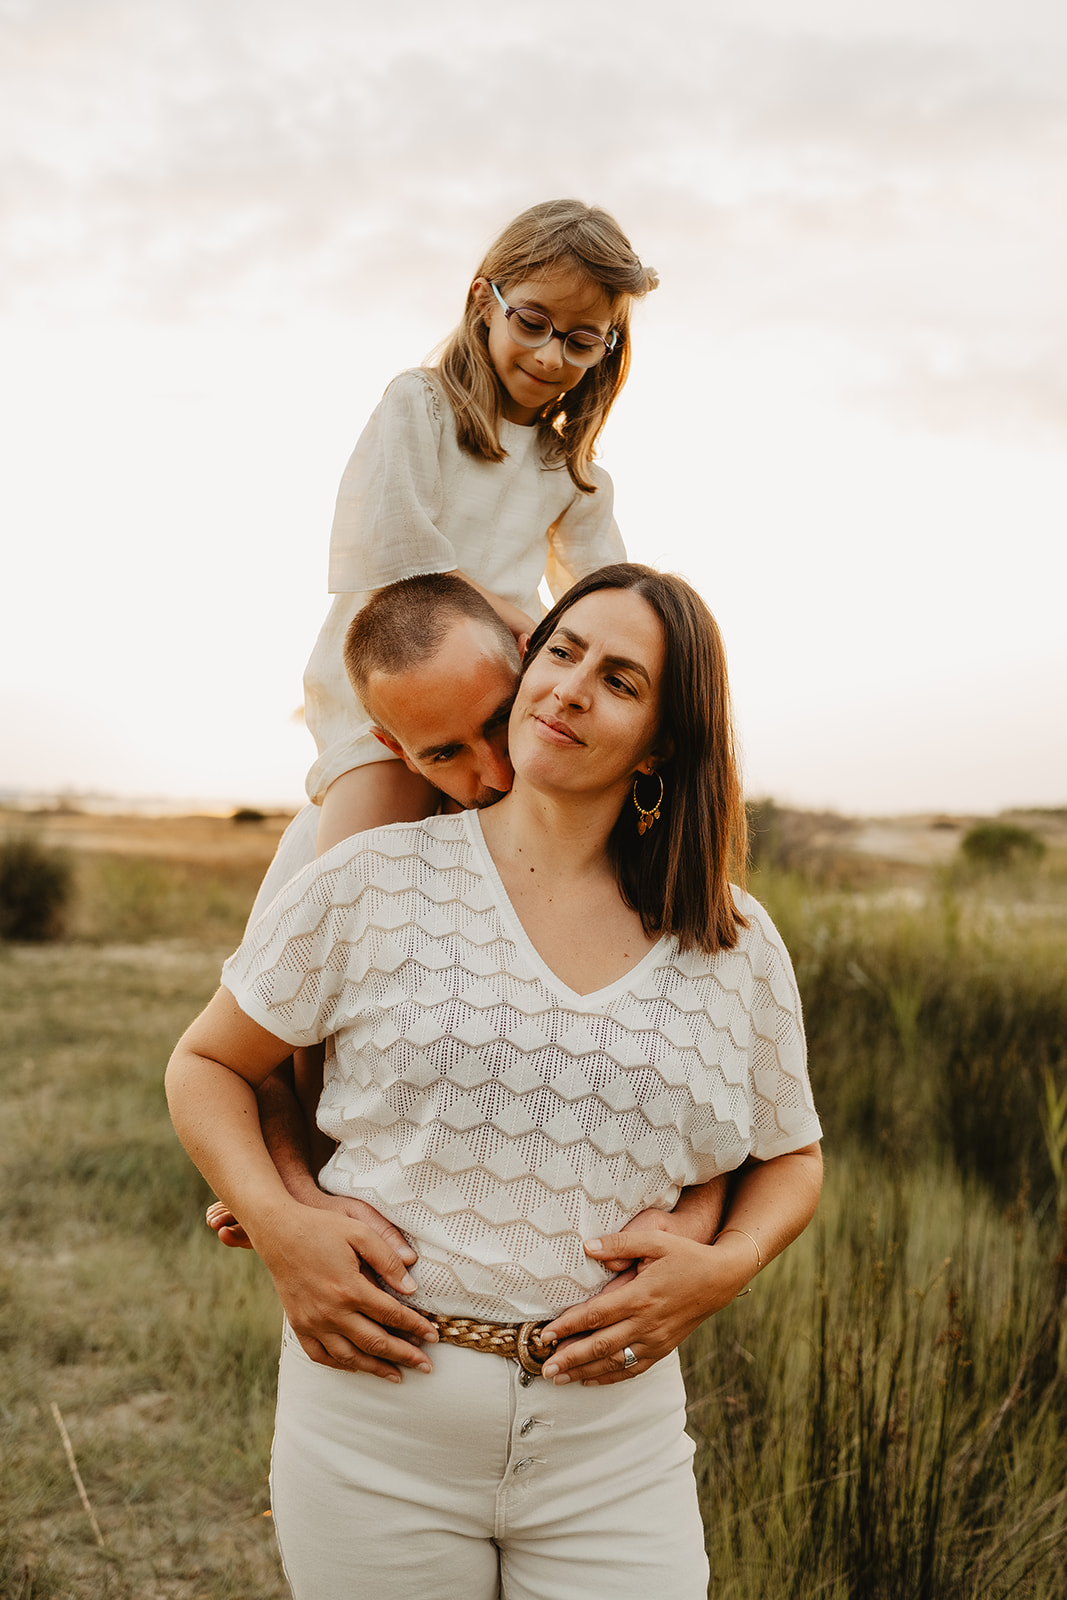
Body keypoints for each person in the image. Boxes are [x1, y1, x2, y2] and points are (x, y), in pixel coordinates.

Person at [167, 563, 823, 1600]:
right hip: (376, 1423)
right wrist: (281, 1224)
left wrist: (724, 1265)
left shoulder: (730, 936)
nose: (571, 688)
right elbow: (207, 1063)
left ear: (661, 741)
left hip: (615, 1449)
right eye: (563, 651)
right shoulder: (370, 878)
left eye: (620, 680)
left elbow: (790, 1154)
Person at [302, 197, 657, 860]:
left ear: (606, 348)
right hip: (398, 692)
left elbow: (607, 597)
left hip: (503, 700)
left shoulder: (572, 475)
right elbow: (397, 554)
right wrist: (518, 621)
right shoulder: (422, 407)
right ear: (484, 303)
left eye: (581, 340)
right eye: (533, 323)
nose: (551, 356)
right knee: (353, 871)